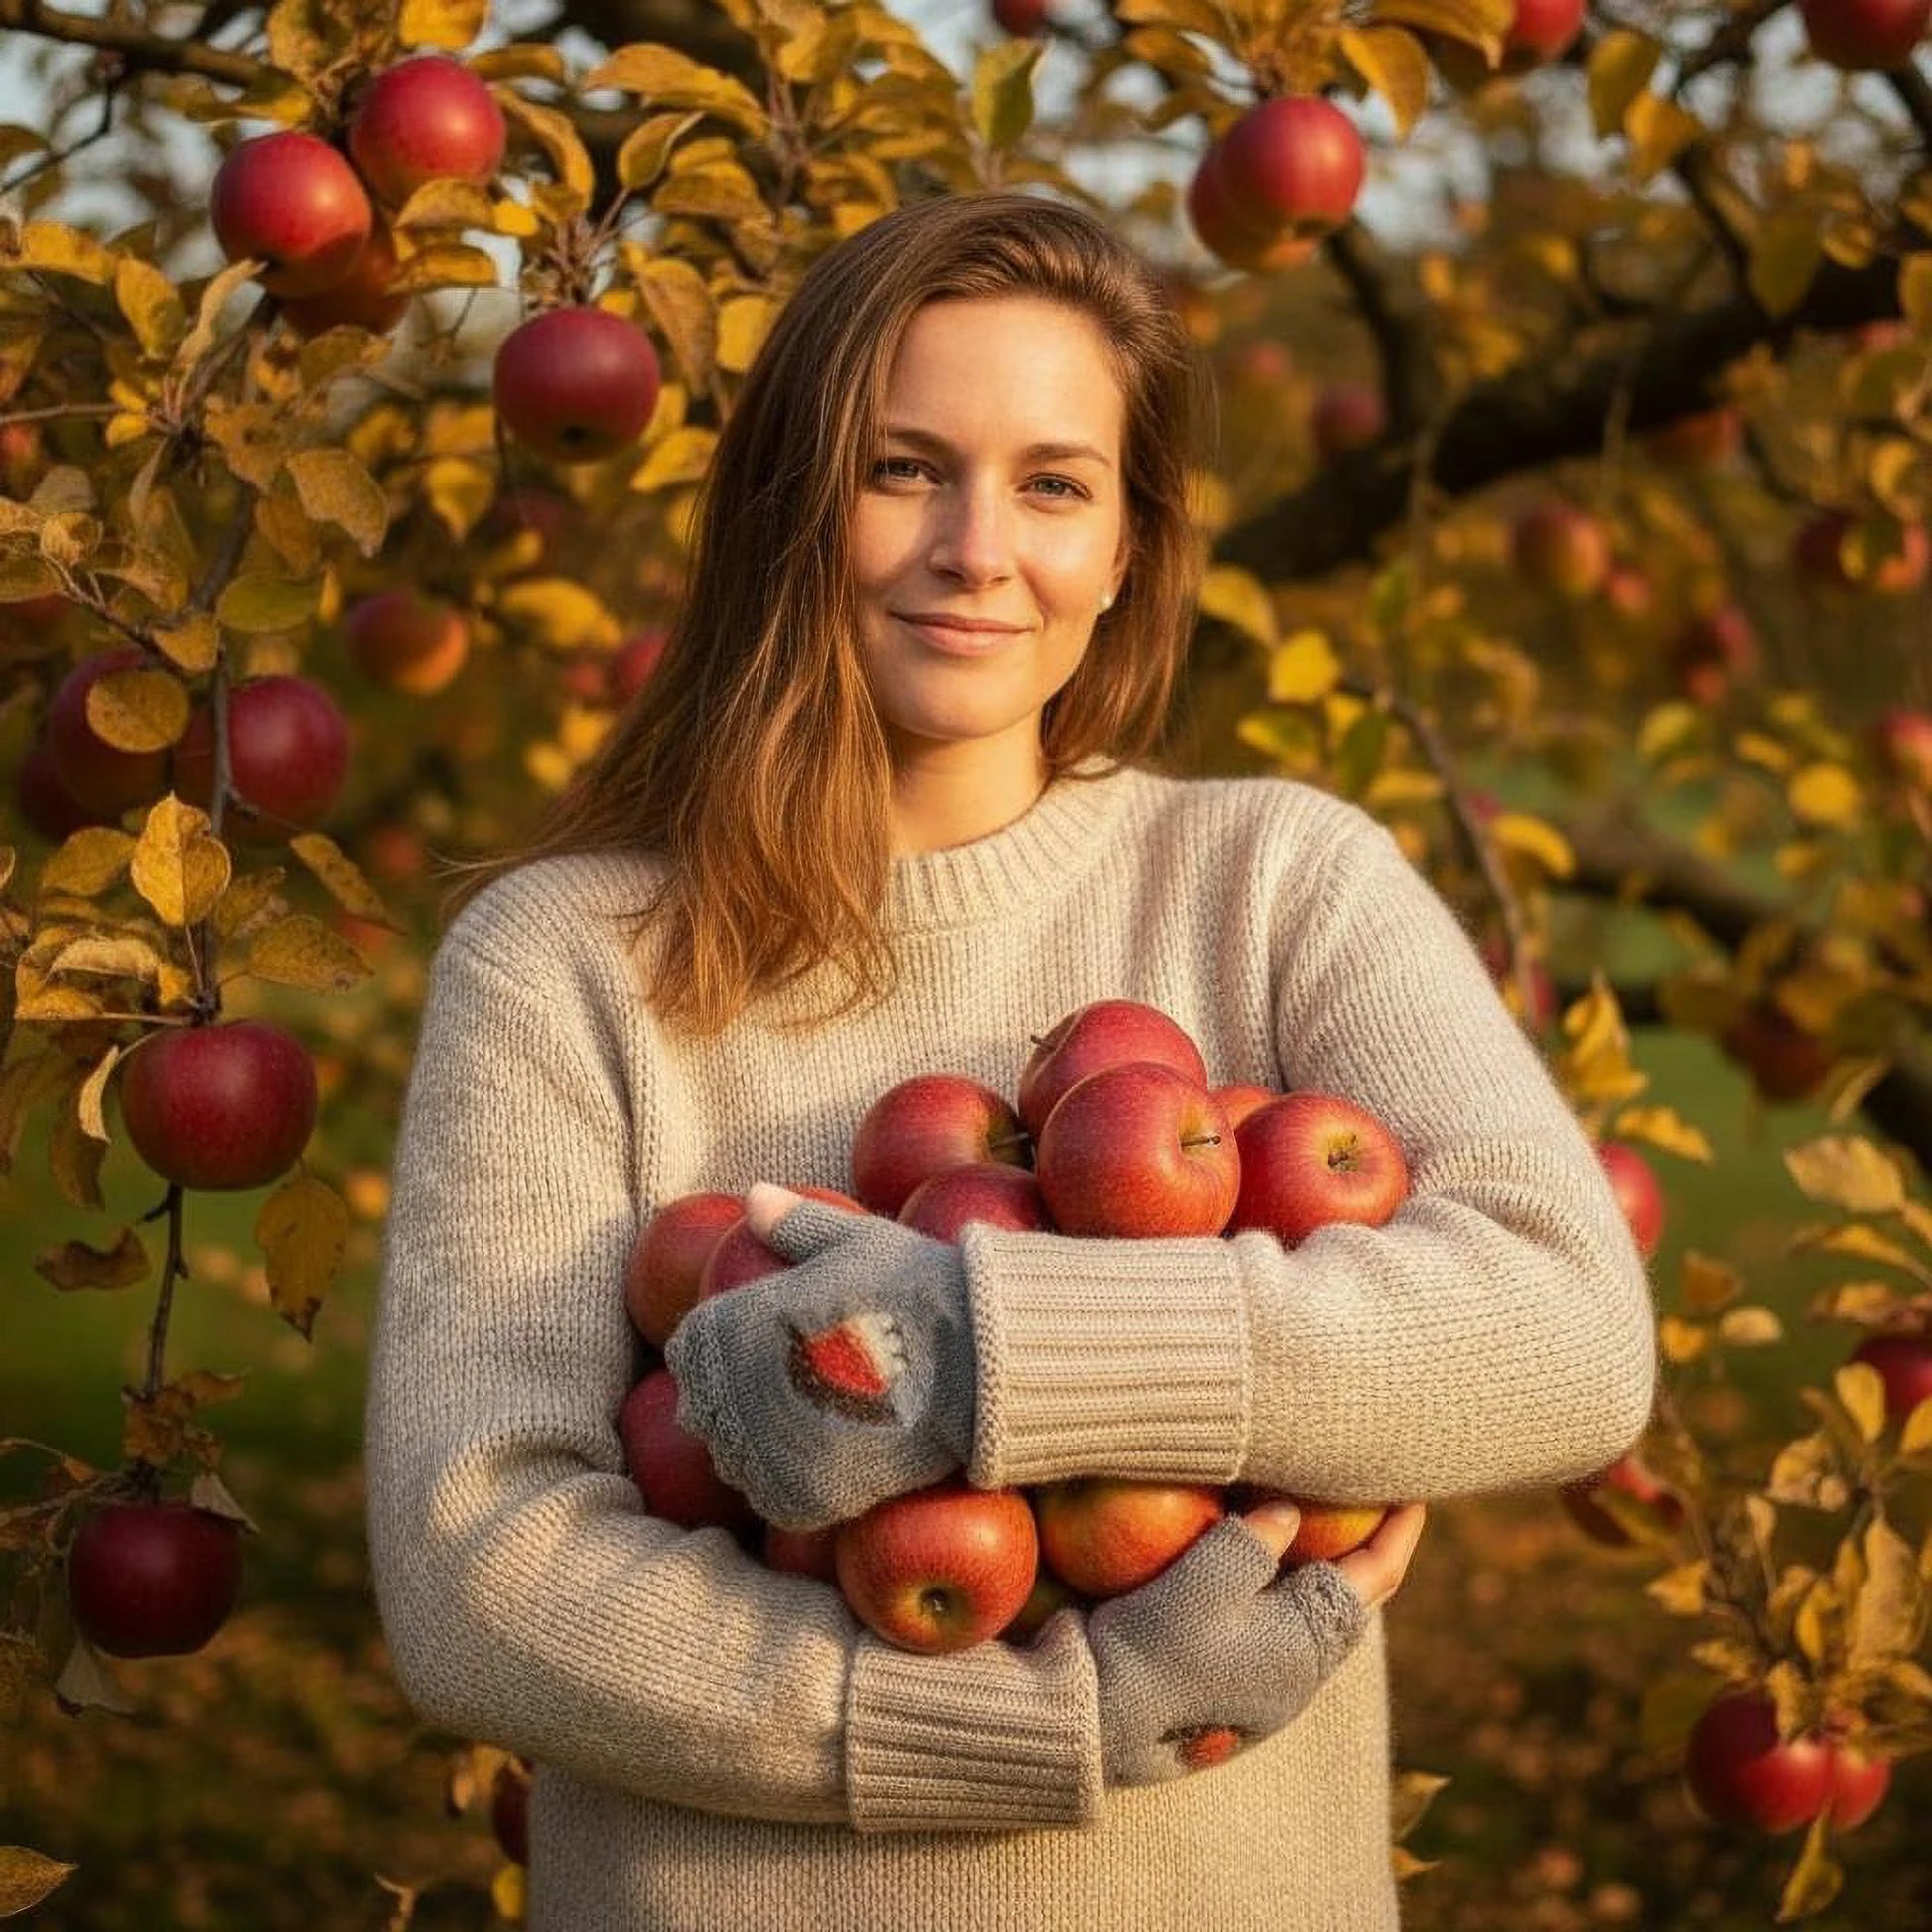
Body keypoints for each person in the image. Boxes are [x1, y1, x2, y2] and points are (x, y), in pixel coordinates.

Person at [363, 189, 1657, 1932]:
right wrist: (1053, 1718)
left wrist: (974, 1347)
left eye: (1053, 483)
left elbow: (1566, 1330)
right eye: (903, 468)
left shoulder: (1272, 881)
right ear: (786, 507)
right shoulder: (568, 958)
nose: (979, 546)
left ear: (1127, 544)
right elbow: (477, 1567)